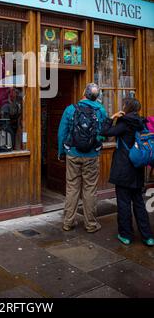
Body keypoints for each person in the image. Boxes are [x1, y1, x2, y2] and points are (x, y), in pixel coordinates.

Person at [100, 98, 154, 246]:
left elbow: (104, 132)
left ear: (126, 107)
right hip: (137, 169)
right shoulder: (142, 123)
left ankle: (126, 235)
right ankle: (147, 236)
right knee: (139, 203)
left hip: (123, 169)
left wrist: (111, 118)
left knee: (123, 203)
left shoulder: (124, 123)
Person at [58, 83, 107, 233]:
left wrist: (61, 152)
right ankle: (91, 224)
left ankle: (68, 222)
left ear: (83, 93)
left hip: (73, 154)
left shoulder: (71, 109)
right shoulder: (101, 110)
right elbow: (103, 133)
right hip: (92, 155)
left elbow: (62, 133)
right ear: (97, 97)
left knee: (72, 188)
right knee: (90, 189)